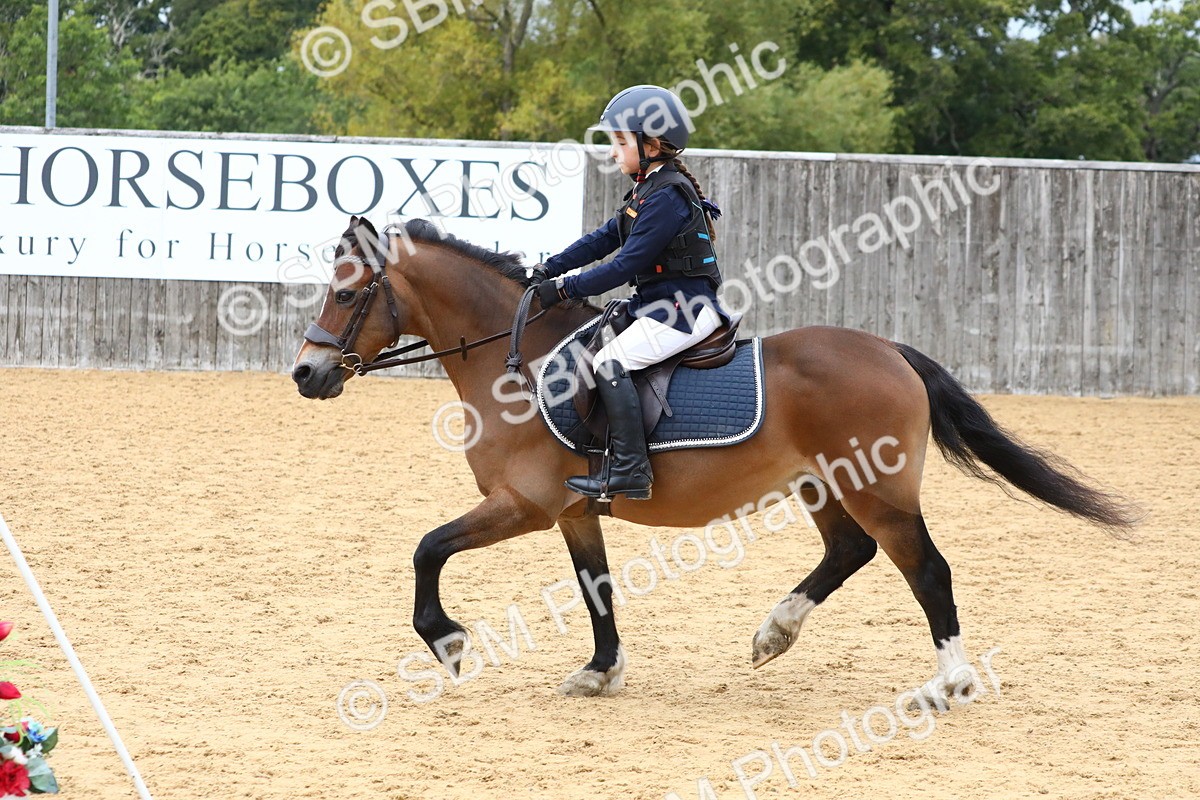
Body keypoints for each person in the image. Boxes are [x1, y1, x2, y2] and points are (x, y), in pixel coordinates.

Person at [533, 84, 731, 501]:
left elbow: (626, 266)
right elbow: (604, 238)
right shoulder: (648, 189)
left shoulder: (668, 196)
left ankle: (629, 472)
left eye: (620, 142)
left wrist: (564, 288)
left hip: (685, 311)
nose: (612, 151)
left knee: (607, 362)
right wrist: (549, 267)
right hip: (659, 305)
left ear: (653, 145)